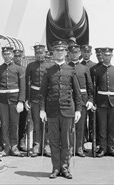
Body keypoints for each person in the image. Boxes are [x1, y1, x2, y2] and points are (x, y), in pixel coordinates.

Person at [39, 41, 82, 179]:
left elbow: (77, 93)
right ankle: (55, 168)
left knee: (66, 142)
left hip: (68, 111)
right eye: (56, 51)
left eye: (61, 51)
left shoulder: (71, 69)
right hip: (52, 112)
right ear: (53, 54)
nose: (59, 53)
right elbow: (42, 93)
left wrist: (78, 110)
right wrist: (42, 110)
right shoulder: (48, 71)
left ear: (65, 53)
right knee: (53, 141)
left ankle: (65, 168)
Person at [0, 46, 26, 156]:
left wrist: (21, 101)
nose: (7, 56)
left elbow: (23, 86)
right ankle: (6, 147)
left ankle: (14, 146)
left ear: (12, 55)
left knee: (15, 124)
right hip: (2, 101)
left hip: (14, 101)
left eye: (9, 54)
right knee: (4, 124)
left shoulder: (19, 69)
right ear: (2, 55)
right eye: (5, 54)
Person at [92, 47, 114, 158]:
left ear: (111, 56)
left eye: (108, 55)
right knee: (102, 127)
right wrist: (94, 102)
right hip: (101, 102)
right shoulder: (97, 71)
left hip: (113, 102)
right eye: (105, 55)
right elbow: (94, 89)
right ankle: (102, 148)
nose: (106, 57)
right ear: (102, 56)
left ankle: (112, 148)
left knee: (112, 127)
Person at [67, 43, 94, 157]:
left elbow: (89, 86)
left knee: (81, 125)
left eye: (77, 52)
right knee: (69, 125)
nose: (75, 54)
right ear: (68, 54)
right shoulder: (66, 67)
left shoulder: (84, 68)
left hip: (82, 101)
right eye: (72, 53)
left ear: (80, 53)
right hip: (68, 100)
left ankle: (79, 147)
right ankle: (69, 147)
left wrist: (90, 100)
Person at [25, 44, 52, 157]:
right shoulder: (30, 66)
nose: (39, 55)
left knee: (48, 123)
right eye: (37, 53)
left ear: (45, 53)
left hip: (48, 99)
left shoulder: (51, 65)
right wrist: (27, 99)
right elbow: (27, 83)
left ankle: (47, 145)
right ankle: (37, 145)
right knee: (36, 122)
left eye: (41, 53)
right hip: (35, 98)